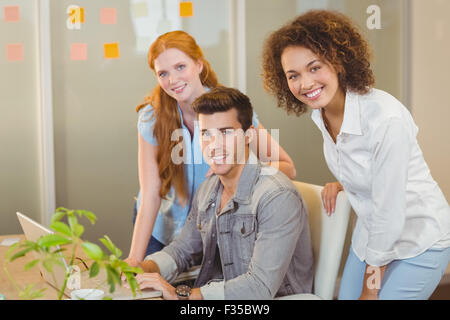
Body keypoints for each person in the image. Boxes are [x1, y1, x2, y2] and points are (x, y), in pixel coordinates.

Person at [261, 10, 450, 300]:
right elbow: (365, 168)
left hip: (418, 239)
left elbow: (390, 212)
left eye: (315, 68)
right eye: (293, 75)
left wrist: (370, 289)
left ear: (336, 61)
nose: (305, 83)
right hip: (371, 238)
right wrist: (347, 183)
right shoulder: (322, 114)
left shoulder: (385, 119)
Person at [126, 31, 297, 268]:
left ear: (198, 64)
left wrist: (238, 172)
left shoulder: (229, 110)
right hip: (159, 230)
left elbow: (287, 167)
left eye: (180, 67)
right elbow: (150, 192)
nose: (173, 80)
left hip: (211, 232)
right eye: (163, 73)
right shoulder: (151, 117)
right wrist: (135, 258)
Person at [126, 86, 314, 300]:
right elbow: (183, 249)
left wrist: (182, 295)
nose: (214, 146)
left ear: (248, 135)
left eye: (226, 132)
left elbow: (259, 288)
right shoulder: (209, 189)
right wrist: (144, 269)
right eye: (206, 134)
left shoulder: (277, 196)